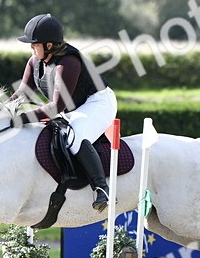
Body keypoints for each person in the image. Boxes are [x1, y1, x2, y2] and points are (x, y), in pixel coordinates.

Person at [6, 13, 117, 211]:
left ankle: (102, 188)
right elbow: (24, 93)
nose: (31, 48)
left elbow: (57, 107)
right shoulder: (35, 61)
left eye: (34, 44)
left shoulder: (69, 62)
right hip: (75, 105)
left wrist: (22, 118)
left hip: (98, 102)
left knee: (74, 136)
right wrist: (3, 110)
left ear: (49, 45)